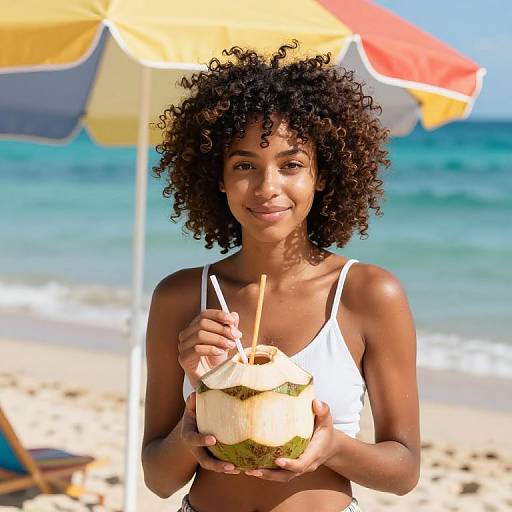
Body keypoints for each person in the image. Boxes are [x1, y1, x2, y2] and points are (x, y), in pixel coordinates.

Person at [142, 41, 420, 512]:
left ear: (322, 175)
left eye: (291, 164)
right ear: (220, 178)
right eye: (245, 165)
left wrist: (332, 447)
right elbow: (158, 479)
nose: (268, 187)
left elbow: (404, 471)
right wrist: (192, 429)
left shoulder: (368, 294)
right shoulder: (181, 297)